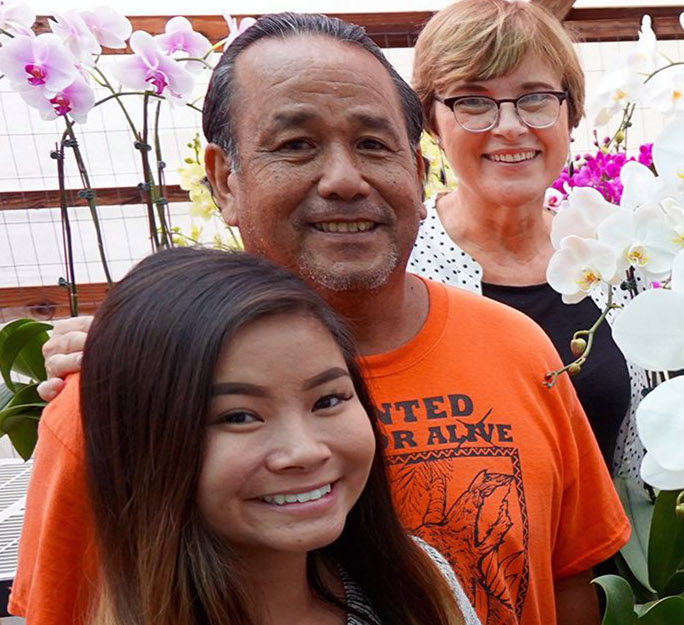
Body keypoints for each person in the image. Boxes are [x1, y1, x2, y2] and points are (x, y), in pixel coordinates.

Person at [13, 14, 630, 625]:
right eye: (296, 145)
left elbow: (565, 585)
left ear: (418, 175)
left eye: (373, 145)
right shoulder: (122, 398)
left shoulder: (517, 348)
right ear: (224, 180)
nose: (343, 180)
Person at [77, 247, 480, 625]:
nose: (304, 451)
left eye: (327, 400)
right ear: (141, 443)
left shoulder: (420, 584)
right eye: (239, 417)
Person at [408, 0, 643, 477]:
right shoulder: (403, 267)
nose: (511, 127)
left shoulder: (611, 255)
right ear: (432, 122)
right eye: (473, 101)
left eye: (535, 98)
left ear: (571, 113)